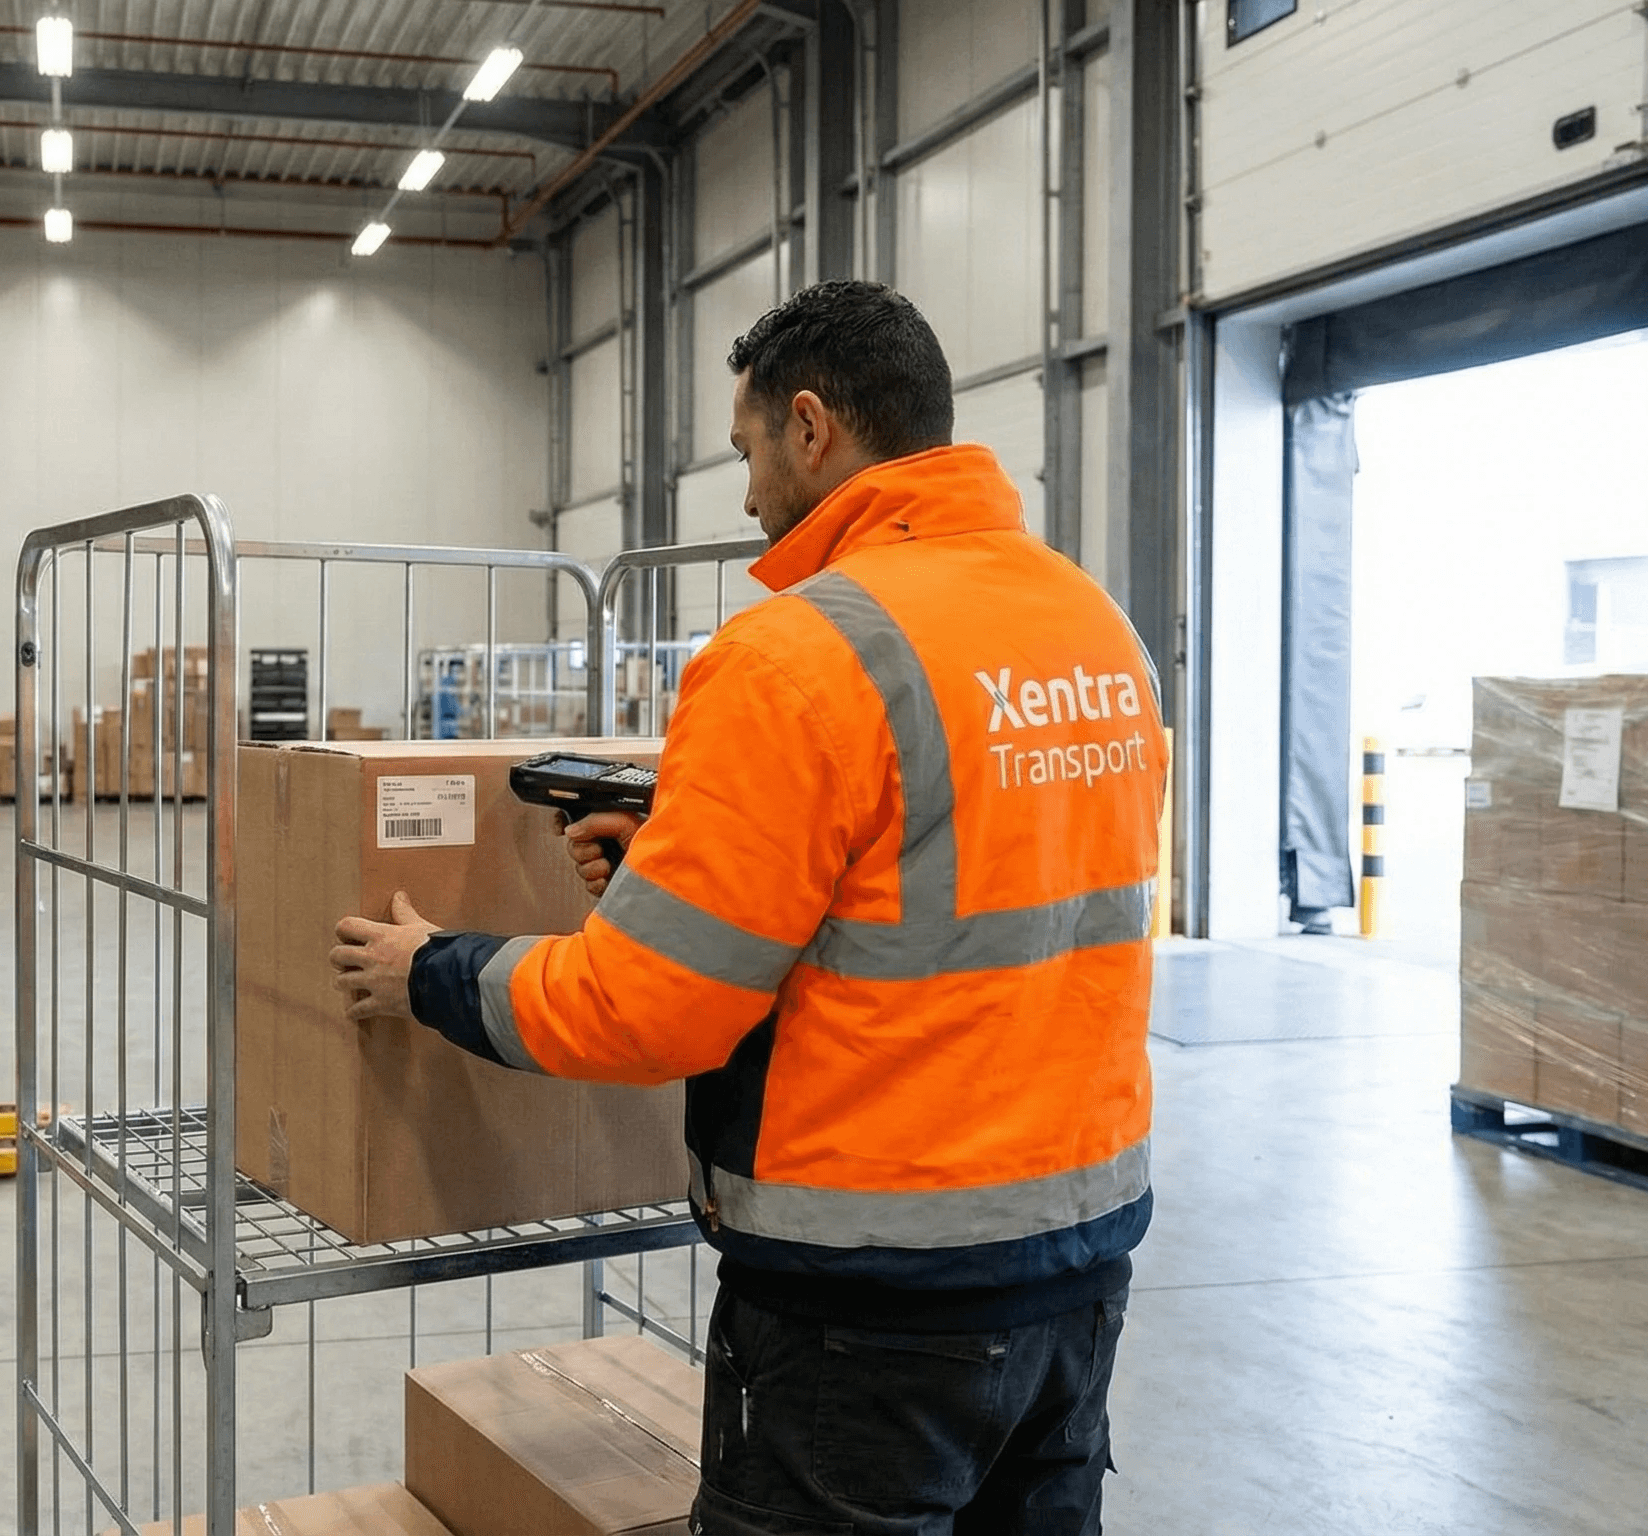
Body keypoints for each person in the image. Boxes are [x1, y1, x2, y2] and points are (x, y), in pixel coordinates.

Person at [329, 281, 1165, 1535]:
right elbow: (973, 886)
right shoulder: (1096, 628)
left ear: (812, 427)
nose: (747, 493)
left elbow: (643, 1013)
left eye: (746, 450)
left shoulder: (797, 655)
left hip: (869, 1314)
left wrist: (435, 968)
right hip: (1080, 1269)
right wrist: (692, 853)